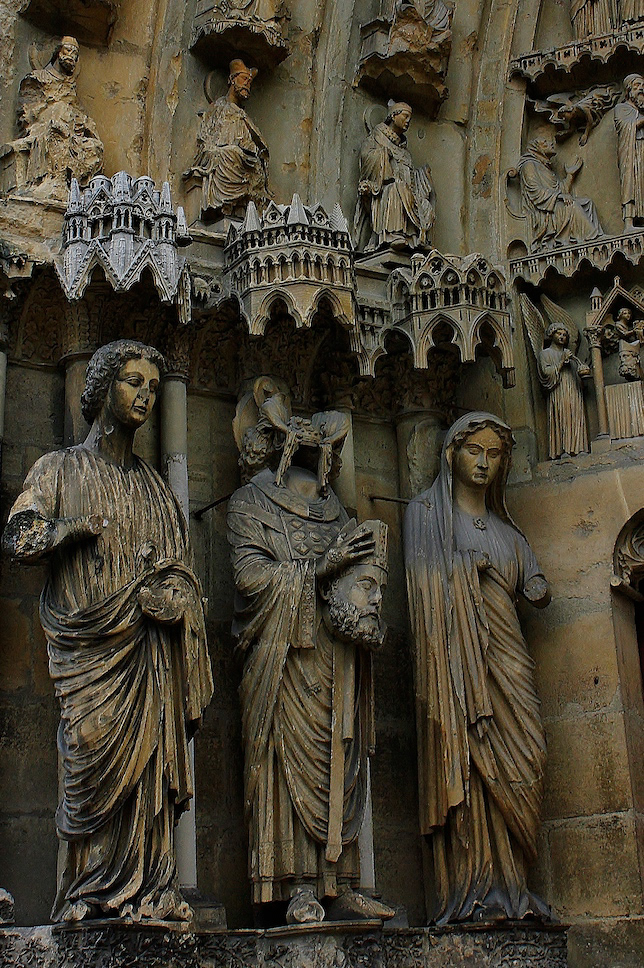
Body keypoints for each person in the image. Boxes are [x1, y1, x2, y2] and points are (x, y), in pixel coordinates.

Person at [2, 340, 213, 922]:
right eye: (132, 382)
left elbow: (182, 575)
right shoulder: (59, 469)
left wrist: (176, 603)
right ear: (100, 390)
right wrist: (65, 530)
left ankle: (149, 889)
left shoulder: (159, 493)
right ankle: (89, 893)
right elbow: (18, 537)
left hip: (148, 660)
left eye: (151, 385)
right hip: (87, 658)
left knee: (150, 777)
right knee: (89, 760)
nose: (144, 394)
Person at [227, 382, 393, 924]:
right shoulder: (250, 502)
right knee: (285, 766)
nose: (322, 456)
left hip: (332, 657)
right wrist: (320, 568)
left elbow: (358, 580)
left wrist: (363, 591)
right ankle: (295, 883)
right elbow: (250, 579)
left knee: (340, 762)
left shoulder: (337, 512)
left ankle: (340, 881)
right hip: (282, 660)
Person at [403, 412, 551, 924]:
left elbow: (536, 585)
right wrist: (466, 571)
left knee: (529, 751)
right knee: (468, 761)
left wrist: (529, 585)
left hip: (506, 662)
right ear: (451, 455)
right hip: (457, 673)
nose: (484, 462)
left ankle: (514, 884)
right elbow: (422, 590)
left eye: (494, 454)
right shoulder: (425, 514)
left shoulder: (511, 533)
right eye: (475, 451)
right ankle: (475, 888)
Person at [2, 36, 103, 195]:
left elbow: (78, 112)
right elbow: (26, 113)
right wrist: (50, 109)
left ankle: (75, 189)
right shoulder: (37, 79)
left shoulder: (70, 86)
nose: (72, 57)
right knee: (56, 134)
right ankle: (52, 182)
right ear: (58, 52)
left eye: (75, 54)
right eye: (68, 50)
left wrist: (82, 121)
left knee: (93, 147)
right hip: (44, 128)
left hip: (71, 133)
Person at [185, 58, 269, 219]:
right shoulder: (217, 108)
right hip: (223, 154)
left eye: (249, 82)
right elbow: (207, 138)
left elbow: (256, 144)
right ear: (232, 80)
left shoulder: (243, 116)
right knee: (230, 153)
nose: (247, 85)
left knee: (251, 161)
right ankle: (224, 204)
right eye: (244, 79)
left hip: (244, 158)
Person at [353, 101, 434, 252]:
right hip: (383, 190)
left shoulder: (404, 150)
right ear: (393, 115)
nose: (408, 121)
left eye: (410, 117)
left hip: (407, 191)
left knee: (424, 204)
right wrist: (383, 155)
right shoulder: (377, 137)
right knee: (396, 189)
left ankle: (414, 238)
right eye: (405, 116)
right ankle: (392, 234)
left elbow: (410, 175)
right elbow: (366, 157)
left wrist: (422, 175)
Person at [517, 138, 604, 250]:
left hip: (552, 205)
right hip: (543, 212)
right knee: (572, 206)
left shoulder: (544, 167)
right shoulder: (529, 165)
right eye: (545, 142)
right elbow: (534, 191)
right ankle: (593, 239)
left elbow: (560, 191)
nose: (551, 143)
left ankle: (590, 237)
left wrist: (570, 175)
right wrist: (558, 196)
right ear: (537, 149)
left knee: (587, 203)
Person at [538, 324, 591, 459]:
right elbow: (545, 373)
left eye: (564, 335)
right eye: (559, 334)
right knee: (563, 415)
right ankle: (563, 450)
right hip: (558, 390)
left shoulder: (570, 355)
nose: (562, 337)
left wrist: (581, 368)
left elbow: (577, 373)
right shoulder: (545, 353)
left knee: (576, 414)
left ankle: (579, 447)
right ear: (551, 335)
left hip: (573, 388)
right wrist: (561, 362)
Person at [614, 74, 644, 231]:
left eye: (642, 85)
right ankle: (629, 224)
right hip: (631, 153)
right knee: (630, 184)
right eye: (637, 85)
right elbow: (627, 127)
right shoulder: (621, 109)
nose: (641, 88)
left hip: (642, 150)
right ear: (628, 89)